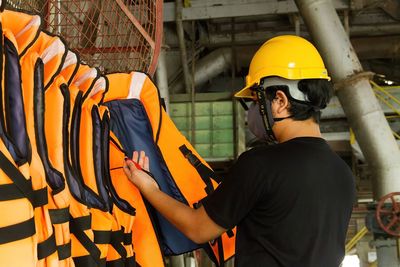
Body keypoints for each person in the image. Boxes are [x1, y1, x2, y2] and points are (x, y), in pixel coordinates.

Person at [123, 35, 355, 267]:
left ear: (281, 101)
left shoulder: (262, 164)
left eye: (256, 100)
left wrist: (148, 187)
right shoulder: (343, 174)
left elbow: (197, 228)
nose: (252, 111)